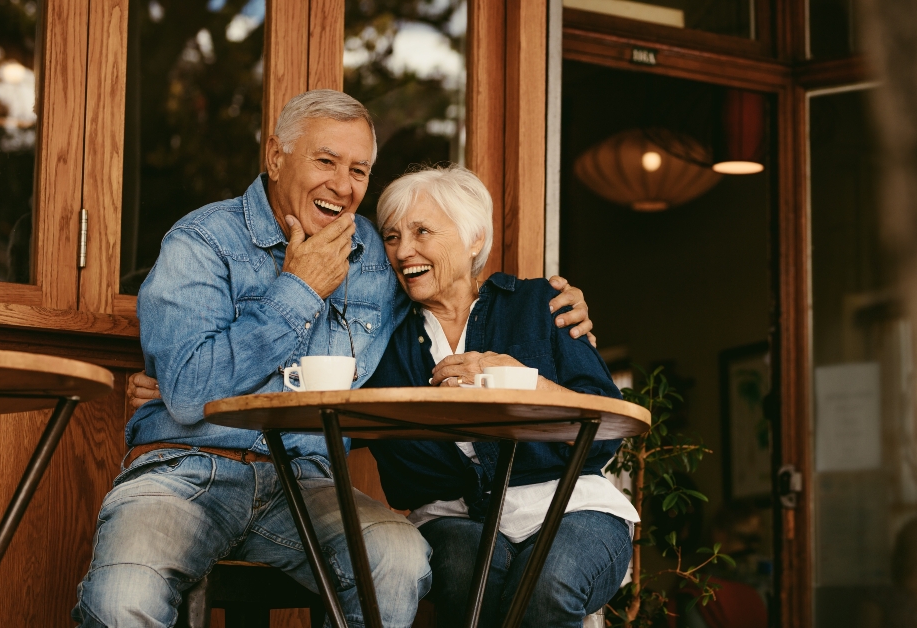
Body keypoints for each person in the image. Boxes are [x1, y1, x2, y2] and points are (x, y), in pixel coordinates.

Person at [77, 89, 594, 628]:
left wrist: (560, 317)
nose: (343, 187)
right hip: (187, 467)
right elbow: (186, 391)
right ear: (276, 157)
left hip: (309, 479)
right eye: (325, 161)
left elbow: (449, 293)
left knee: (398, 562)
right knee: (122, 598)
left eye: (360, 170)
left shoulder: (376, 255)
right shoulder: (202, 242)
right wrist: (299, 289)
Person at [363, 165, 637, 628]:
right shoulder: (380, 335)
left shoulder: (539, 305)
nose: (403, 251)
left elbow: (605, 434)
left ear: (474, 239)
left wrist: (523, 381)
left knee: (547, 588)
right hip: (451, 518)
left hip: (571, 506)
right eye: (391, 237)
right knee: (473, 586)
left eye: (421, 231)